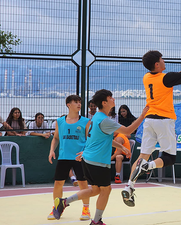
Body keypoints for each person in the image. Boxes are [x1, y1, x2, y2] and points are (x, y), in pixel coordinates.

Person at [121, 49, 181, 207]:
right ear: (157, 64)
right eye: (162, 59)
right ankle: (148, 166)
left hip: (149, 121)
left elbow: (177, 76)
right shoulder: (166, 78)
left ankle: (129, 186)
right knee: (169, 158)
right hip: (163, 121)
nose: (164, 61)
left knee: (142, 157)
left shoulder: (147, 77)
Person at [52, 89, 148, 225]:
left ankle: (64, 202)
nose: (114, 99)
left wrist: (121, 147)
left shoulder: (97, 117)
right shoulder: (104, 120)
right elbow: (128, 131)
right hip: (97, 161)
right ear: (104, 102)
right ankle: (96, 221)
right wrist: (143, 115)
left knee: (96, 189)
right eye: (111, 98)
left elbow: (99, 138)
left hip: (89, 159)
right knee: (106, 190)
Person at [47, 95, 91, 221]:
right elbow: (55, 138)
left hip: (79, 157)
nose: (79, 104)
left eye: (80, 102)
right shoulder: (60, 121)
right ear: (68, 105)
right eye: (76, 102)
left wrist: (85, 152)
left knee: (83, 183)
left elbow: (90, 140)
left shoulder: (85, 121)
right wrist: (51, 151)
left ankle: (86, 209)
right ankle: (57, 208)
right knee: (58, 184)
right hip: (63, 157)